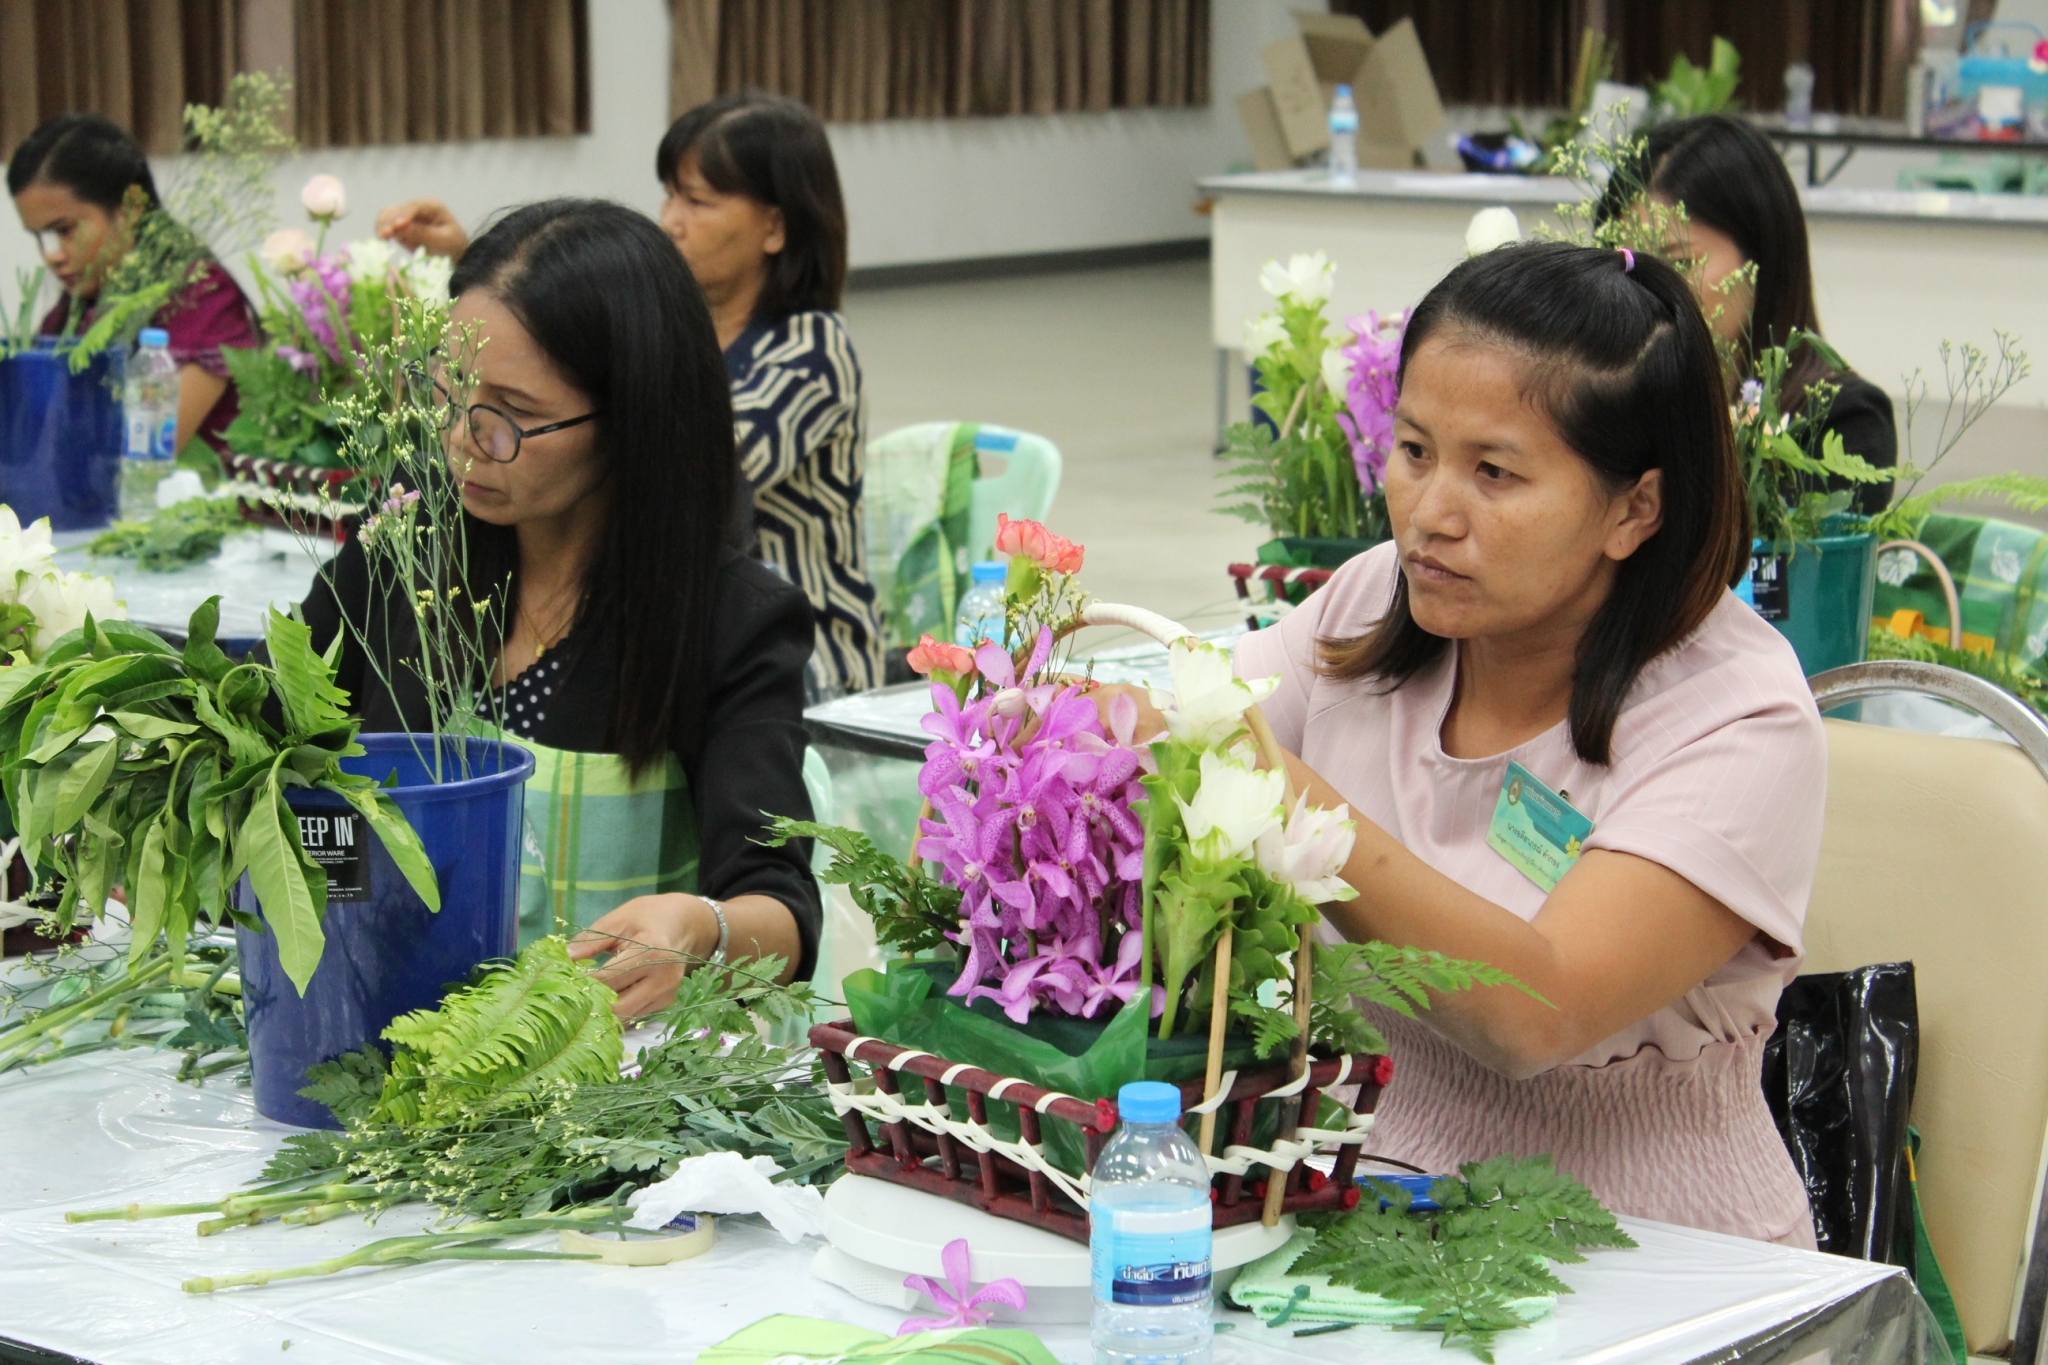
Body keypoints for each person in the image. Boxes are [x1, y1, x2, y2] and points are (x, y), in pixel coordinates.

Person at [1116, 242, 1824, 1245]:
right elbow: (1185, 739)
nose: (1429, 515)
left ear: (1635, 508)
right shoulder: (1372, 604)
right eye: (1413, 451)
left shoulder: (1736, 718)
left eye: (1493, 472)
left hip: (1643, 1236)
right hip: (1347, 1186)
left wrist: (1269, 791)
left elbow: (1537, 1012)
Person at [302, 198, 821, 1018]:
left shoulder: (726, 620)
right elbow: (283, 755)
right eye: (447, 392)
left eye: (512, 415)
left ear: (630, 419)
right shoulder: (405, 552)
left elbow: (782, 910)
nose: (464, 440)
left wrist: (701, 927)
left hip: (606, 1053)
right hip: (387, 1022)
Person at [375, 93, 887, 694]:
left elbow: (688, 455)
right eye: (669, 195)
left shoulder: (813, 349)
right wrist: (484, 275)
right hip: (669, 614)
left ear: (775, 226)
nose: (671, 220)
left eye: (698, 201)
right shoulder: (680, 332)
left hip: (807, 657)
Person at [1605, 112, 1896, 513]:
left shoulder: (1845, 422)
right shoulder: (1610, 402)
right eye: (1629, 265)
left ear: (1761, 259)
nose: (1648, 288)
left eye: (1680, 262)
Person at [8, 113, 258, 455]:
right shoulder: (79, 303)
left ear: (131, 207)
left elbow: (144, 454)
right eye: (40, 237)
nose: (51, 255)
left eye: (64, 231)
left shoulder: (202, 296)